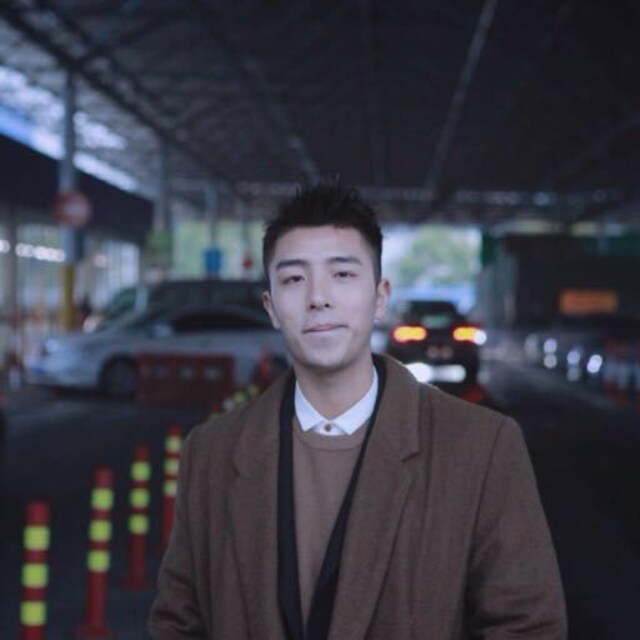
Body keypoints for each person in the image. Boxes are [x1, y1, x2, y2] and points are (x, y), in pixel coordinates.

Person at [149, 183, 566, 639]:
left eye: (343, 274)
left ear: (380, 296)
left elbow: (527, 626)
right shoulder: (211, 452)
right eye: (293, 279)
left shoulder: (481, 447)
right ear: (271, 307)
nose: (318, 297)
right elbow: (178, 622)